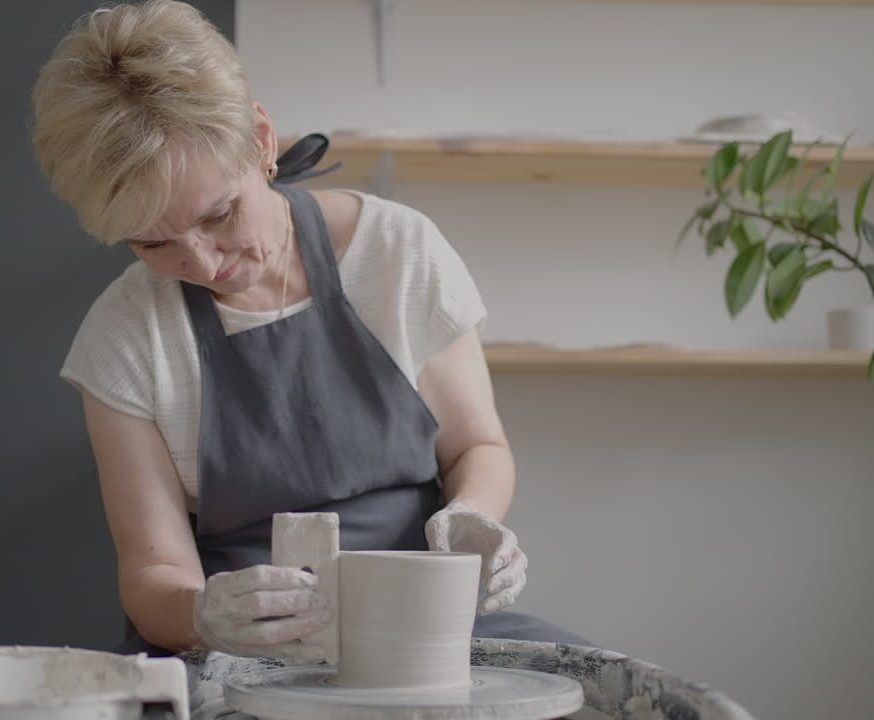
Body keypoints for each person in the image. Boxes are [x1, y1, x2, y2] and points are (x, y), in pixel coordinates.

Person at [29, 0, 592, 662]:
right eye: (154, 244)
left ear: (261, 140)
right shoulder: (124, 337)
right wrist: (205, 615)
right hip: (238, 651)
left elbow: (479, 447)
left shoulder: (396, 253)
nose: (206, 265)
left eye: (219, 214)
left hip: (424, 621)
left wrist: (472, 521)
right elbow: (153, 577)